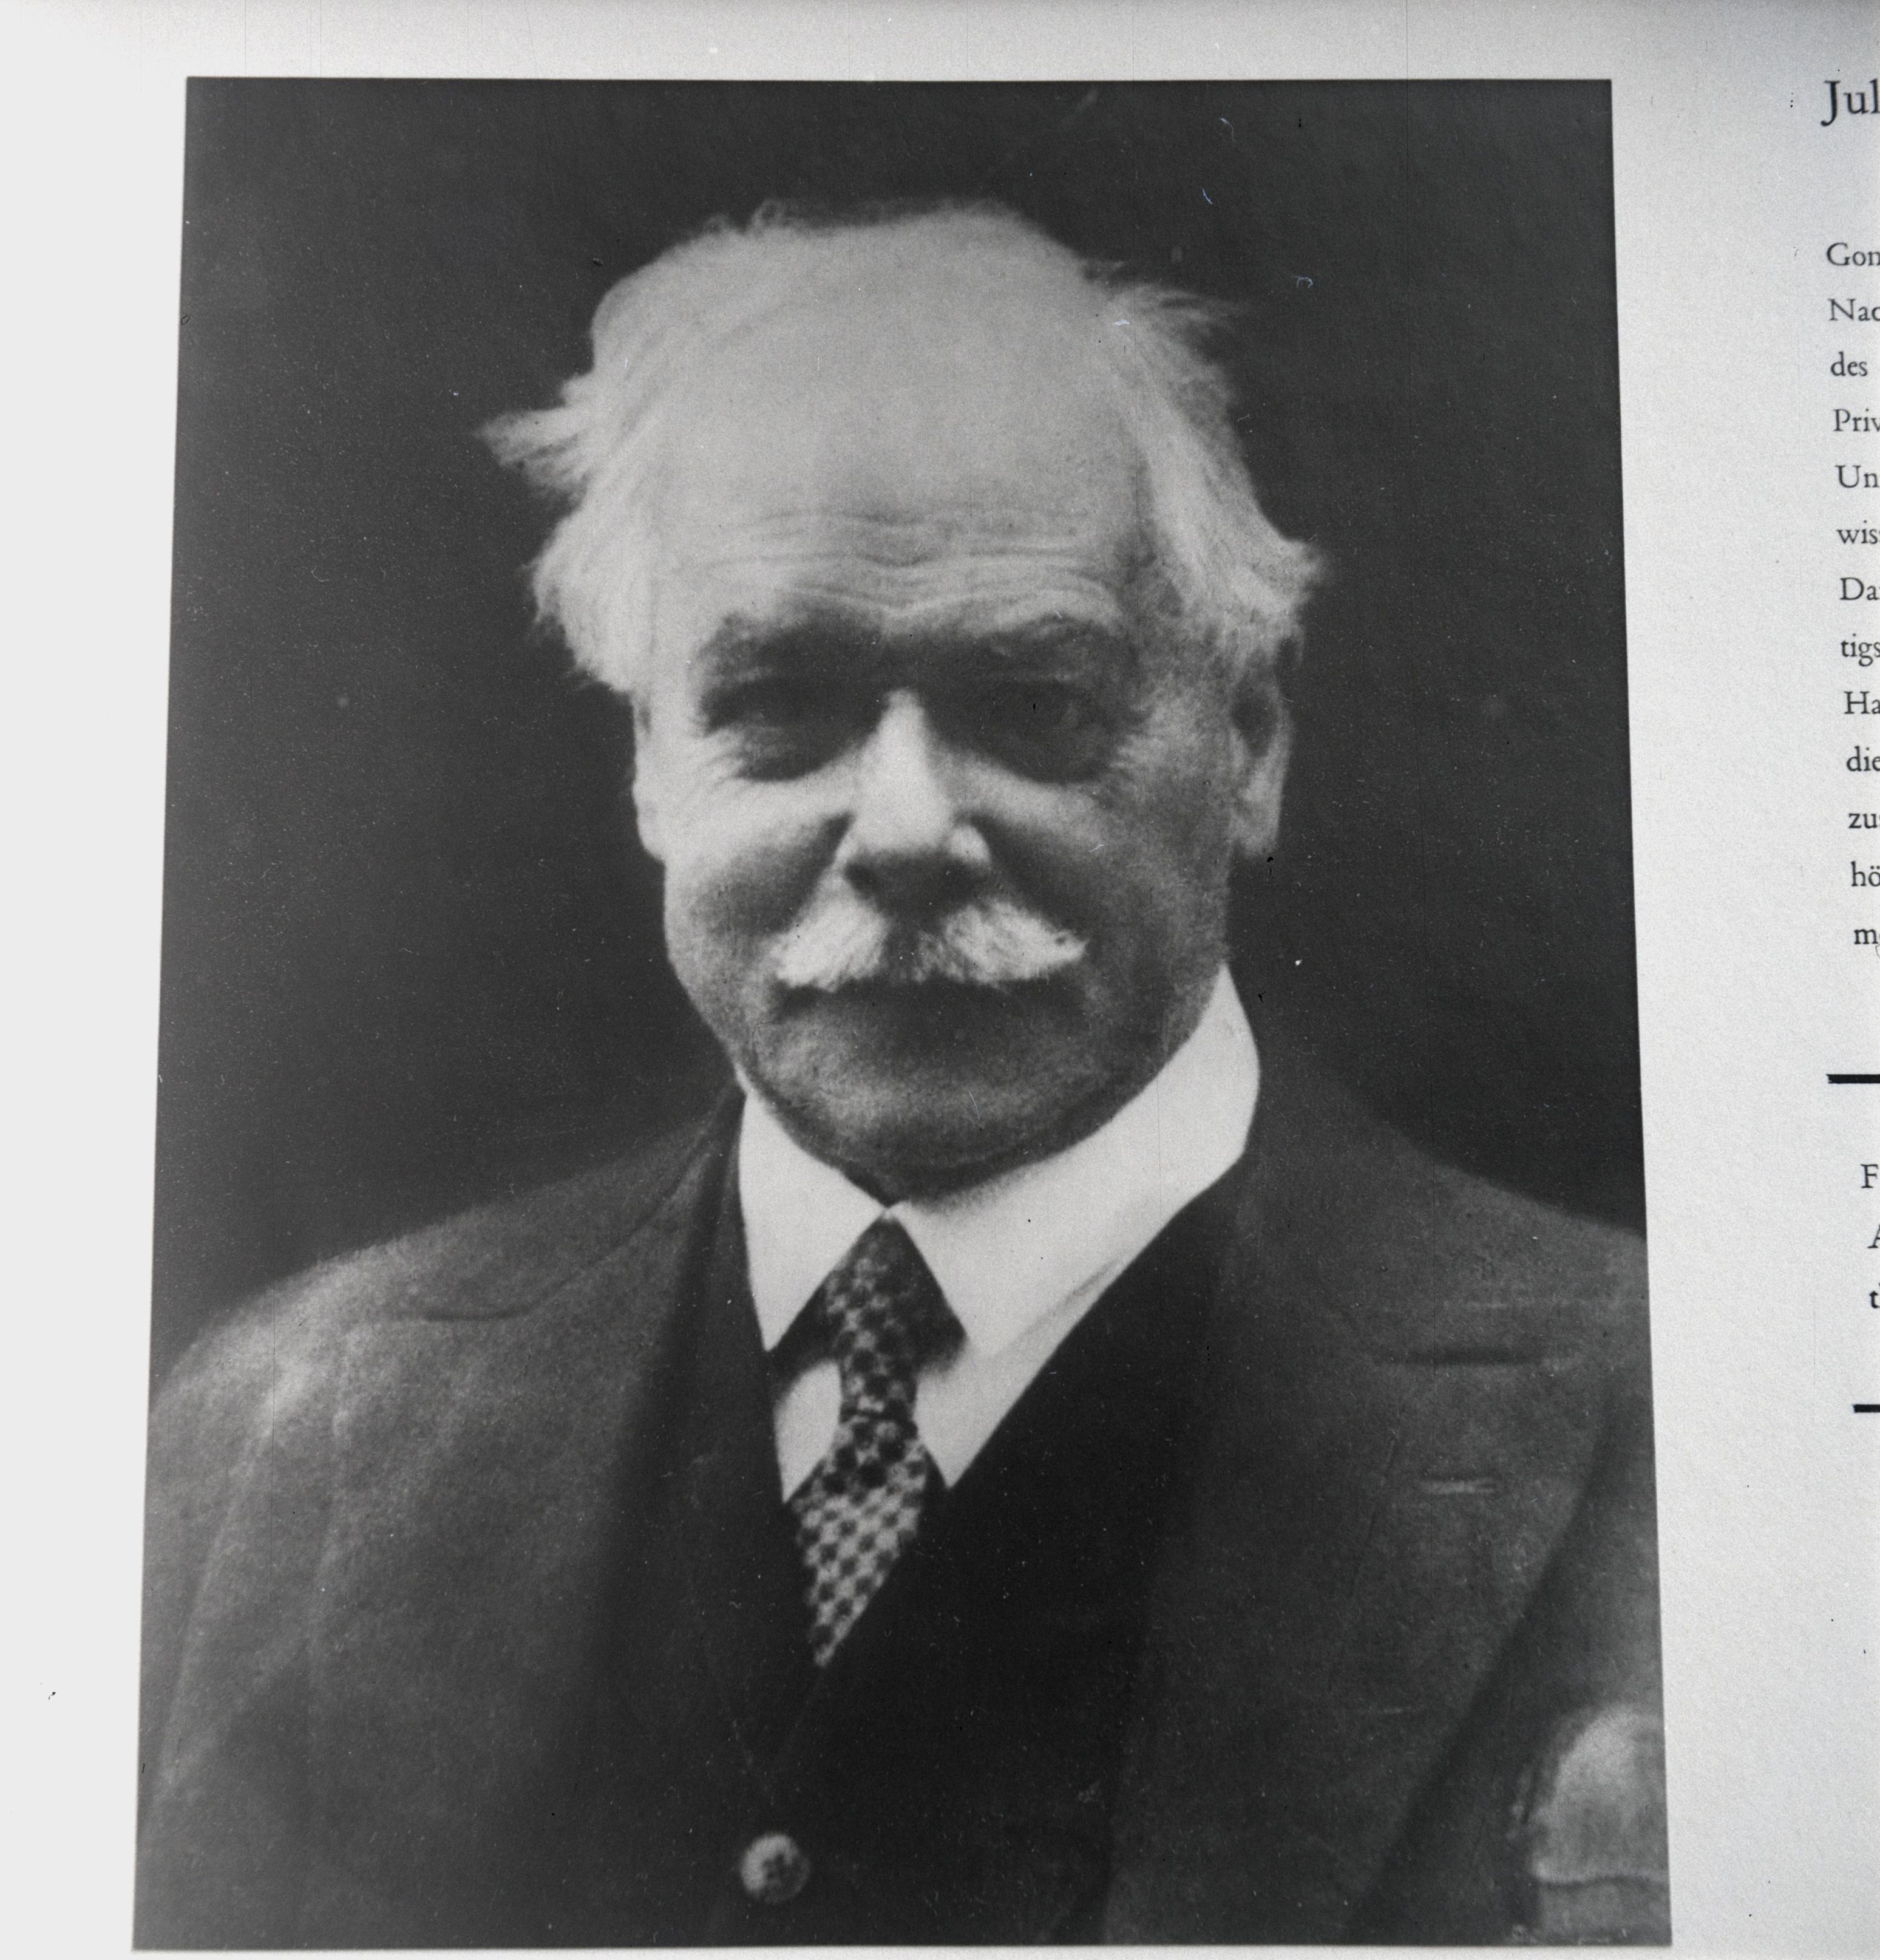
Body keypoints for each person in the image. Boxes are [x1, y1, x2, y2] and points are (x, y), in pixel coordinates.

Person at [135, 202, 1667, 1948]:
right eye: (778, 704)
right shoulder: (285, 1435)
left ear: (1248, 738)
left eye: (1034, 699)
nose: (906, 829)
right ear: (650, 762)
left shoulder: (1661, 1433)